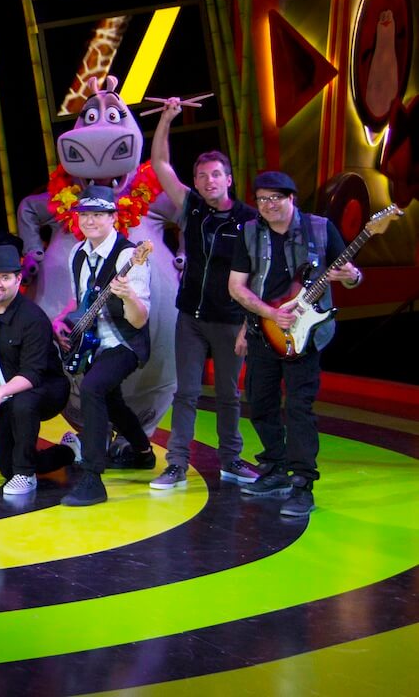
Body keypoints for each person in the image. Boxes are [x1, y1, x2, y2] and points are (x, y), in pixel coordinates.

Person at [227, 170, 360, 519]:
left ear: (292, 199)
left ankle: (302, 484)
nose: (268, 205)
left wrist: (351, 276)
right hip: (263, 330)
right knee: (260, 402)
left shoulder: (320, 229)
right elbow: (236, 286)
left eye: (275, 198)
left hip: (307, 334)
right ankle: (275, 467)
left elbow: (351, 274)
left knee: (300, 408)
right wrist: (269, 314)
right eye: (262, 199)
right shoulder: (249, 232)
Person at [149, 97, 261, 491]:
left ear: (228, 179)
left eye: (216, 175)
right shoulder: (192, 208)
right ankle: (176, 464)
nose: (209, 181)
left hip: (231, 320)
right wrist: (167, 118)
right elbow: (160, 164)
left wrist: (249, 323)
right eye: (202, 176)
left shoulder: (250, 220)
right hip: (191, 319)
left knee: (229, 394)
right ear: (195, 182)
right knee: (187, 393)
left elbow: (258, 277)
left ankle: (231, 460)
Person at [52, 186, 155, 507]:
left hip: (124, 341)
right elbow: (80, 300)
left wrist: (128, 295)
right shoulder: (77, 253)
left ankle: (93, 478)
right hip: (91, 341)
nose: (90, 221)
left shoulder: (129, 256)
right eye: (85, 215)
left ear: (113, 218)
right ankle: (143, 453)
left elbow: (139, 320)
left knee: (94, 388)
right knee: (110, 399)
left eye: (98, 214)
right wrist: (62, 321)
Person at [0, 235, 77, 496]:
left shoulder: (32, 318)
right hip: (9, 391)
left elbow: (33, 374)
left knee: (22, 403)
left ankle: (26, 475)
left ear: (17, 279)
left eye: (5, 277)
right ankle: (68, 451)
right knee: (7, 467)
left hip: (46, 388)